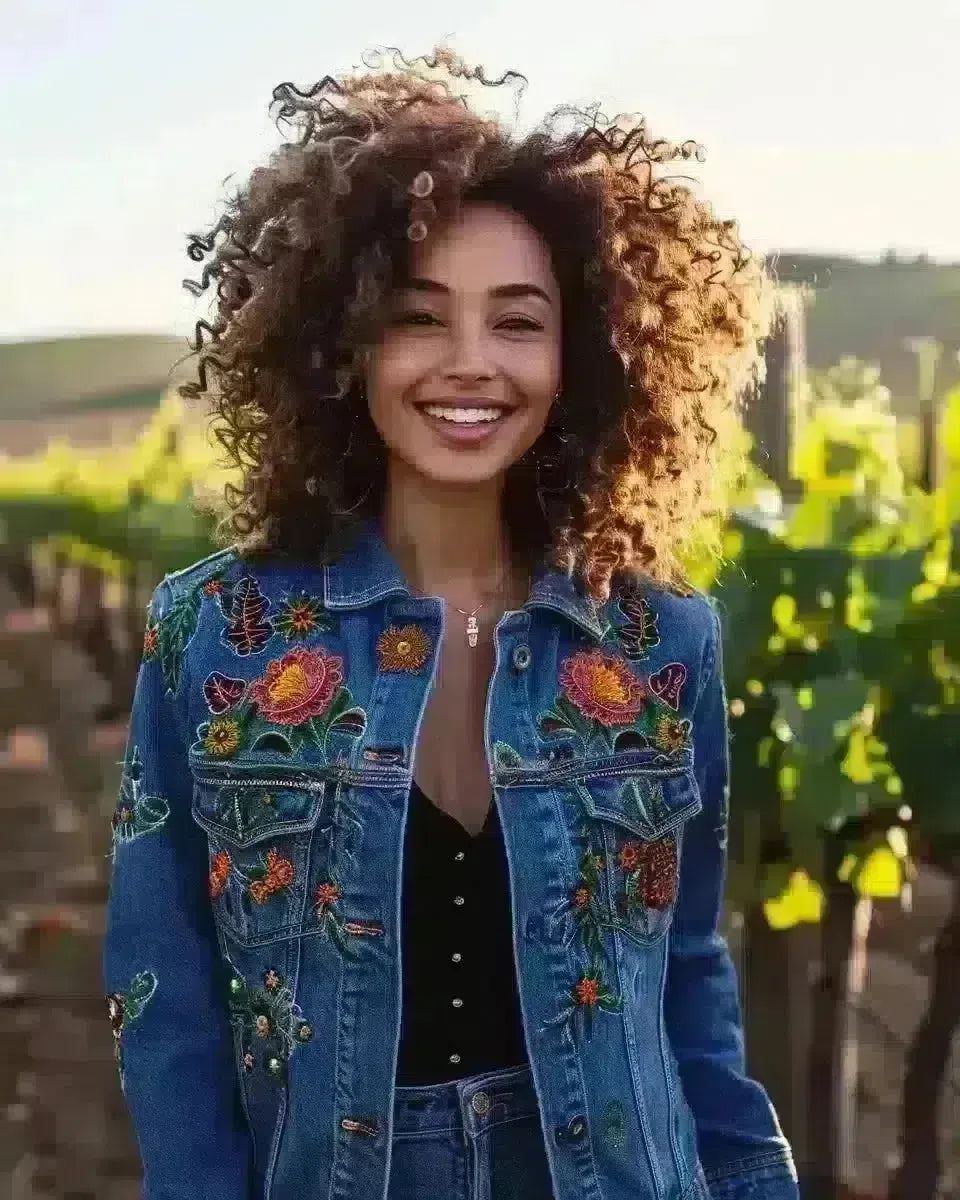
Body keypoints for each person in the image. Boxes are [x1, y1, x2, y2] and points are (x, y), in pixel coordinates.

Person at [102, 45, 799, 1200]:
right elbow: (161, 995)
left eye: (518, 321)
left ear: (585, 355)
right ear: (344, 342)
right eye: (420, 318)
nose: (471, 364)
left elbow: (685, 977)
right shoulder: (212, 635)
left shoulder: (664, 640)